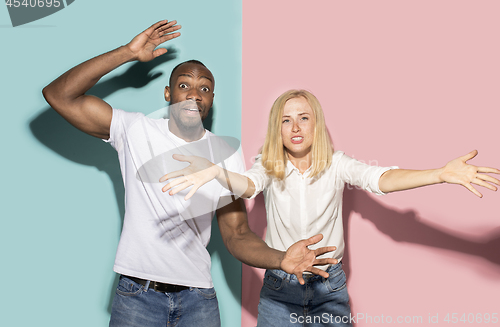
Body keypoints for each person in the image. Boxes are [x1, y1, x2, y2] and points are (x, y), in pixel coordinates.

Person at [42, 22, 338, 327]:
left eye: (205, 88)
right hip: (137, 296)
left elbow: (236, 235)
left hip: (199, 301)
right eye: (184, 85)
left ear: (211, 100)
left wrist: (281, 260)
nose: (195, 94)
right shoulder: (135, 130)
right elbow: (59, 95)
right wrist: (127, 53)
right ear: (168, 93)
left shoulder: (225, 153)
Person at [161, 89, 500, 326]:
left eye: (303, 118)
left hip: (329, 286)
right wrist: (217, 173)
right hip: (280, 287)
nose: (295, 127)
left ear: (316, 124)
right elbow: (249, 186)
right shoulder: (268, 164)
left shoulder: (337, 164)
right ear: (276, 129)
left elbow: (380, 178)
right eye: (286, 120)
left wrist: (439, 174)